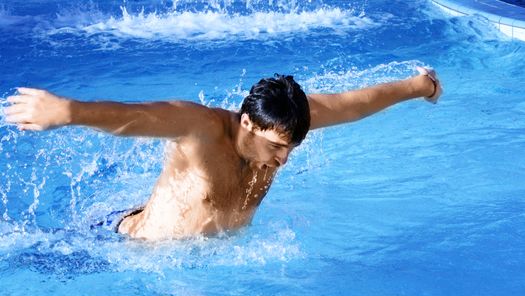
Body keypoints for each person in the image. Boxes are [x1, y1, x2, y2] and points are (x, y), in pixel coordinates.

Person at [3, 67, 442, 240]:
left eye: (291, 148)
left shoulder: (285, 125)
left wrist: (418, 87)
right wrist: (69, 110)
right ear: (248, 122)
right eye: (276, 147)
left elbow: (354, 104)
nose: (283, 158)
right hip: (128, 253)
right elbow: (135, 116)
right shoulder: (201, 129)